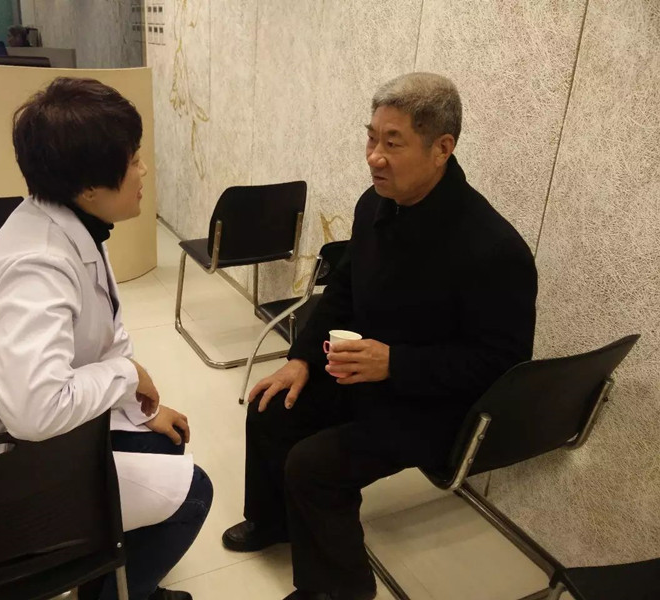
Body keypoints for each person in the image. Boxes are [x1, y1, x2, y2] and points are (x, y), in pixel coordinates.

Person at [222, 72, 538, 600]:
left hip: (437, 403)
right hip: (367, 371)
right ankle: (274, 521)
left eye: (393, 143)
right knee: (271, 403)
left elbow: (503, 364)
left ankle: (338, 591)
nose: (374, 157)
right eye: (371, 138)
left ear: (442, 149)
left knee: (315, 466)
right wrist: (301, 357)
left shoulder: (492, 247)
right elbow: (343, 289)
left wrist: (397, 364)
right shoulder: (374, 205)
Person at [0, 77, 212, 600]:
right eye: (133, 160)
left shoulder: (71, 221)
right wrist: (126, 377)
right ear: (88, 186)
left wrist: (145, 408)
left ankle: (107, 577)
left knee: (168, 445)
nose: (144, 171)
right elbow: (35, 413)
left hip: (35, 445)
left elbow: (106, 335)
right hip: (2, 475)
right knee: (194, 492)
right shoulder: (37, 265)